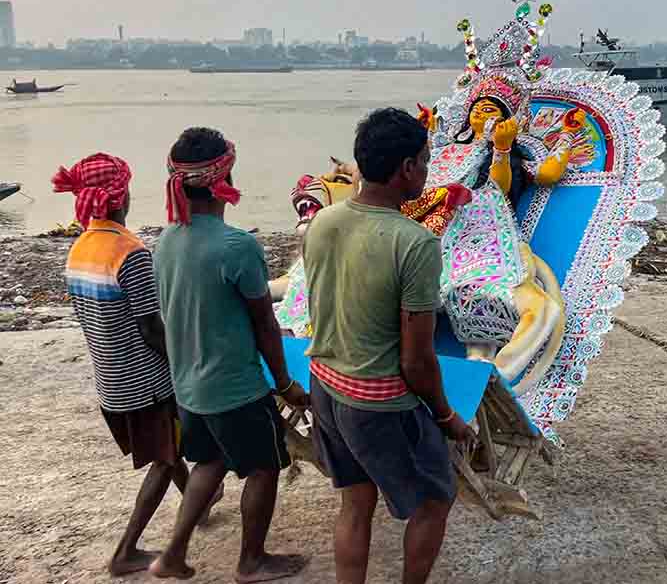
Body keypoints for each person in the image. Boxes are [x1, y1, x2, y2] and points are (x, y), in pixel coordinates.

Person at [303, 108, 477, 584]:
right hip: (378, 403)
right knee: (435, 497)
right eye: (424, 161)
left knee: (356, 501)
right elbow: (416, 360)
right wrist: (447, 417)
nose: (426, 170)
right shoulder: (415, 242)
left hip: (326, 386)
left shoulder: (324, 221)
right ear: (405, 168)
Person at [149, 128, 309, 583]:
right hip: (236, 387)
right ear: (224, 178)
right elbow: (265, 326)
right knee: (263, 467)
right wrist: (285, 384)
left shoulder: (167, 241)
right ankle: (252, 560)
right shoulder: (237, 246)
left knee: (210, 462)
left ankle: (172, 555)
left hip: (190, 385)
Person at [53, 153, 220, 576]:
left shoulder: (79, 249)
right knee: (166, 459)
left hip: (110, 381)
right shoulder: (130, 252)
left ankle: (197, 509)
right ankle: (126, 551)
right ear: (120, 194)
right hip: (145, 382)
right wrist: (186, 362)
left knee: (169, 446)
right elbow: (151, 329)